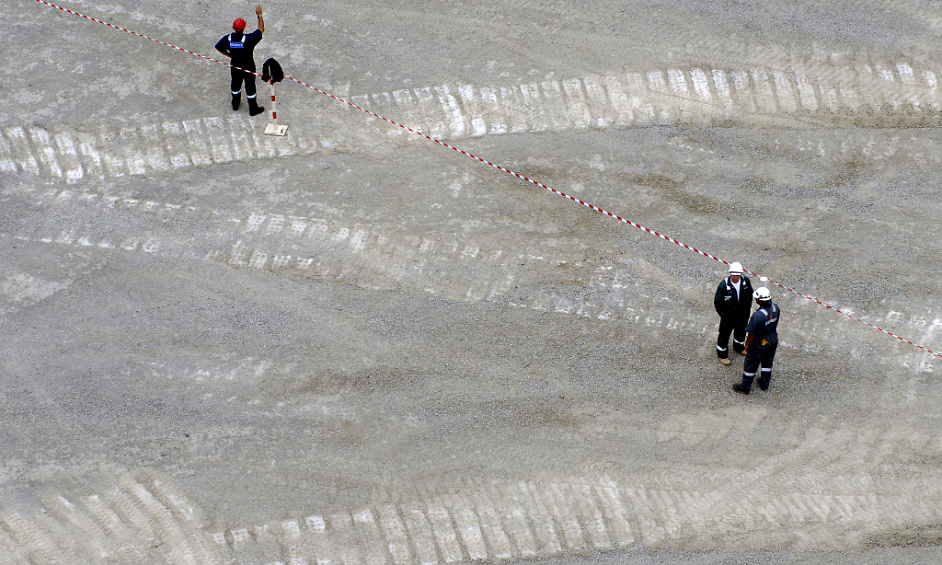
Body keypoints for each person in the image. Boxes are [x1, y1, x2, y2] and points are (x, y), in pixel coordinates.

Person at [215, 4, 266, 116]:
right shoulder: (249, 39)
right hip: (248, 66)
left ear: (234, 28)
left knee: (235, 84)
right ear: (244, 28)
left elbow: (218, 47)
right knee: (250, 86)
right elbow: (261, 30)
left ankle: (235, 104)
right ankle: (253, 109)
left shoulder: (228, 39)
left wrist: (229, 55)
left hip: (235, 65)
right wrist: (259, 15)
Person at [733, 286, 780, 395]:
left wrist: (746, 345)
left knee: (751, 364)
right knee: (768, 362)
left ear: (759, 301)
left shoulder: (757, 316)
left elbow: (751, 333)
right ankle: (764, 384)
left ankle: (745, 387)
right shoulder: (776, 308)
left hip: (760, 342)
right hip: (772, 339)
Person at [713, 262, 754, 366]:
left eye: (737, 275)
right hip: (728, 317)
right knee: (724, 335)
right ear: (730, 274)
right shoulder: (724, 285)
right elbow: (717, 302)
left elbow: (750, 294)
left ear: (741, 274)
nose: (736, 277)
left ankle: (739, 347)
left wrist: (747, 310)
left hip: (742, 316)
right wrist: (724, 315)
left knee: (741, 332)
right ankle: (722, 354)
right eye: (733, 275)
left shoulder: (745, 281)